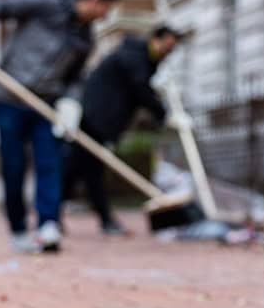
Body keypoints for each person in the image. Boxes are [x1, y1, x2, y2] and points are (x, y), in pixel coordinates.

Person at [0, 0, 120, 253]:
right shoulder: (46, 7)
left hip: (45, 106)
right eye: (106, 8)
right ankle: (19, 228)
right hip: (9, 99)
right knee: (13, 166)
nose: (106, 16)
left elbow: (75, 79)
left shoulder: (85, 40)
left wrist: (71, 104)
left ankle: (48, 224)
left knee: (50, 164)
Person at [62, 25, 184, 235]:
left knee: (81, 169)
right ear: (156, 39)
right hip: (96, 117)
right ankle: (99, 220)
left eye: (172, 49)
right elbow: (140, 89)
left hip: (98, 118)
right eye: (167, 46)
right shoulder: (136, 57)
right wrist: (163, 113)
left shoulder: (141, 58)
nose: (168, 52)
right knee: (87, 170)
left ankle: (57, 216)